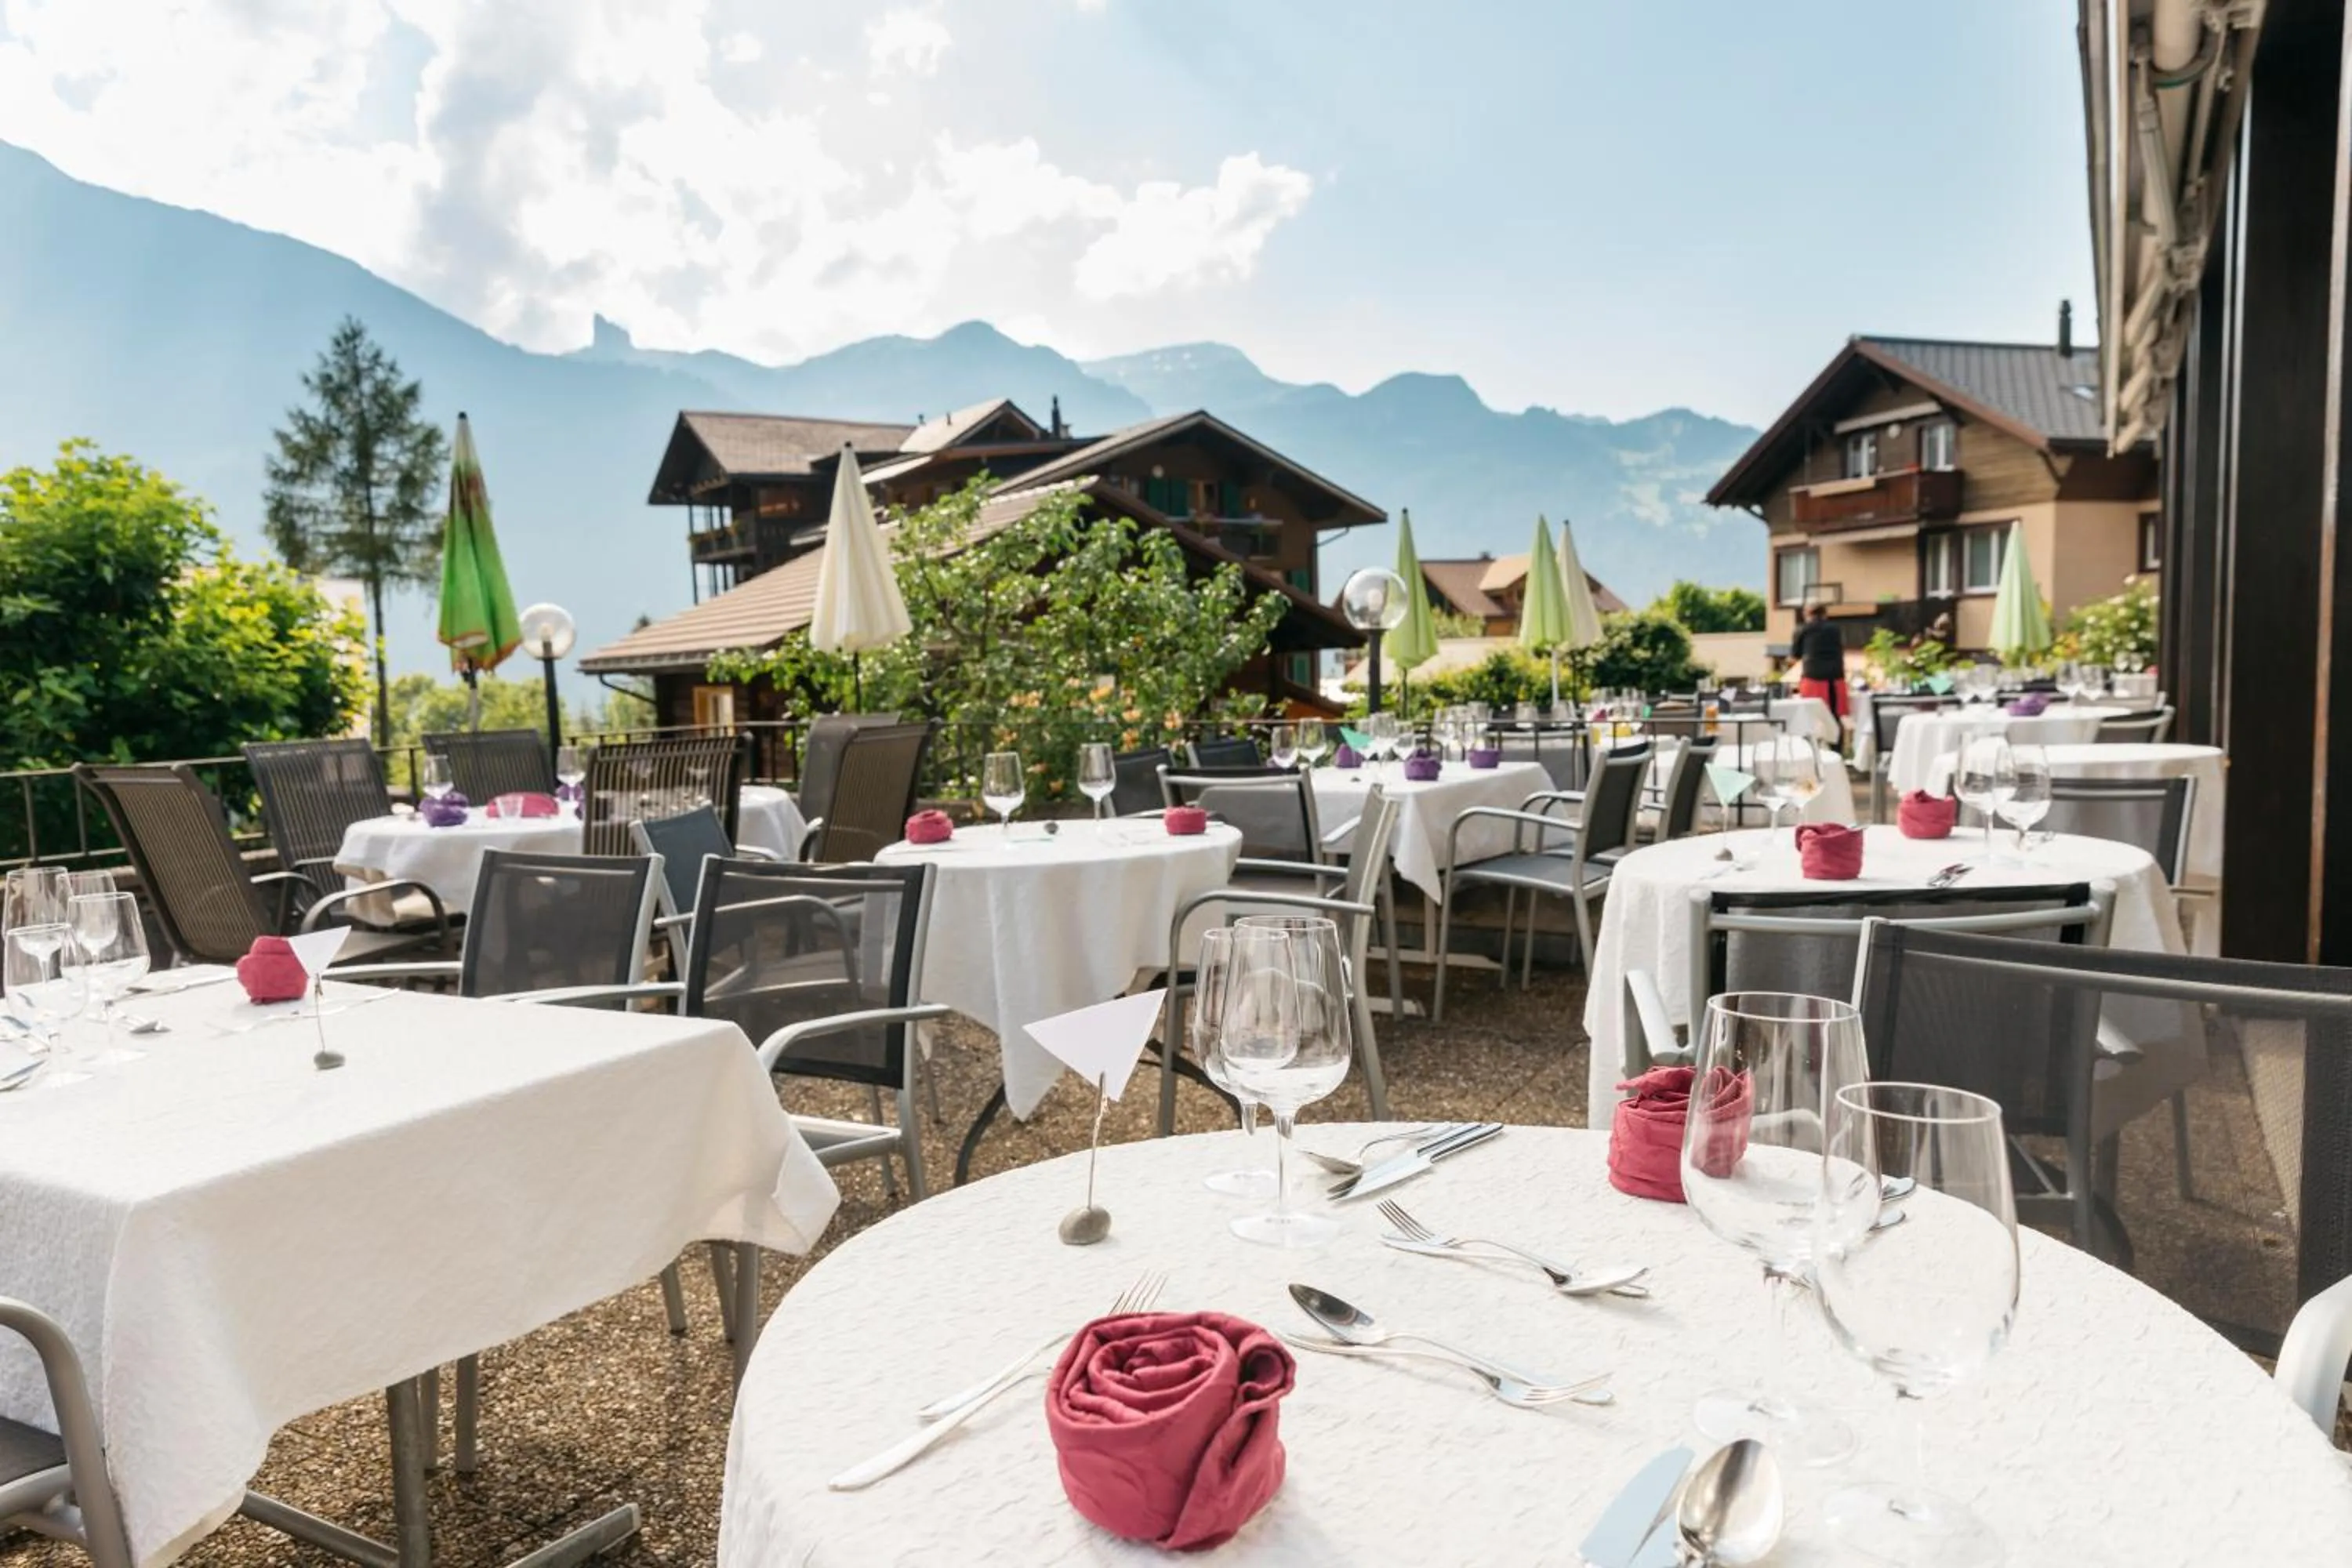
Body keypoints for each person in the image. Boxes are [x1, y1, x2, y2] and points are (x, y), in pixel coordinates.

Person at [1790, 603, 1850, 750]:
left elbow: (1795, 655)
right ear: (1824, 614)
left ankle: (1812, 751)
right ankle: (1837, 751)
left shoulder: (1802, 629)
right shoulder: (1835, 629)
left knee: (1810, 717)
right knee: (1835, 717)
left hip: (1813, 677)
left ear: (1807, 614)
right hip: (1835, 678)